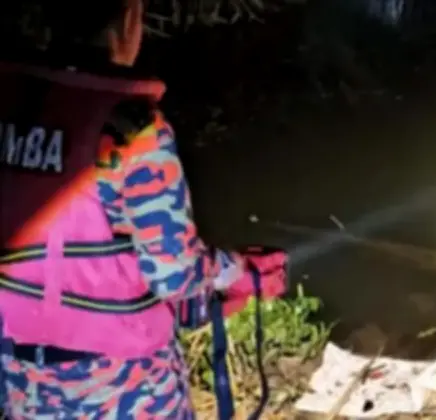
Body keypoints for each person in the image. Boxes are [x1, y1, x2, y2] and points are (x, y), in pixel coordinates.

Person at [0, 0, 286, 418]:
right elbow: (174, 274)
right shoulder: (133, 130)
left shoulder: (10, 106)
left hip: (22, 378)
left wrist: (205, 302)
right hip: (121, 385)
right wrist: (238, 271)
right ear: (129, 21)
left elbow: (65, 261)